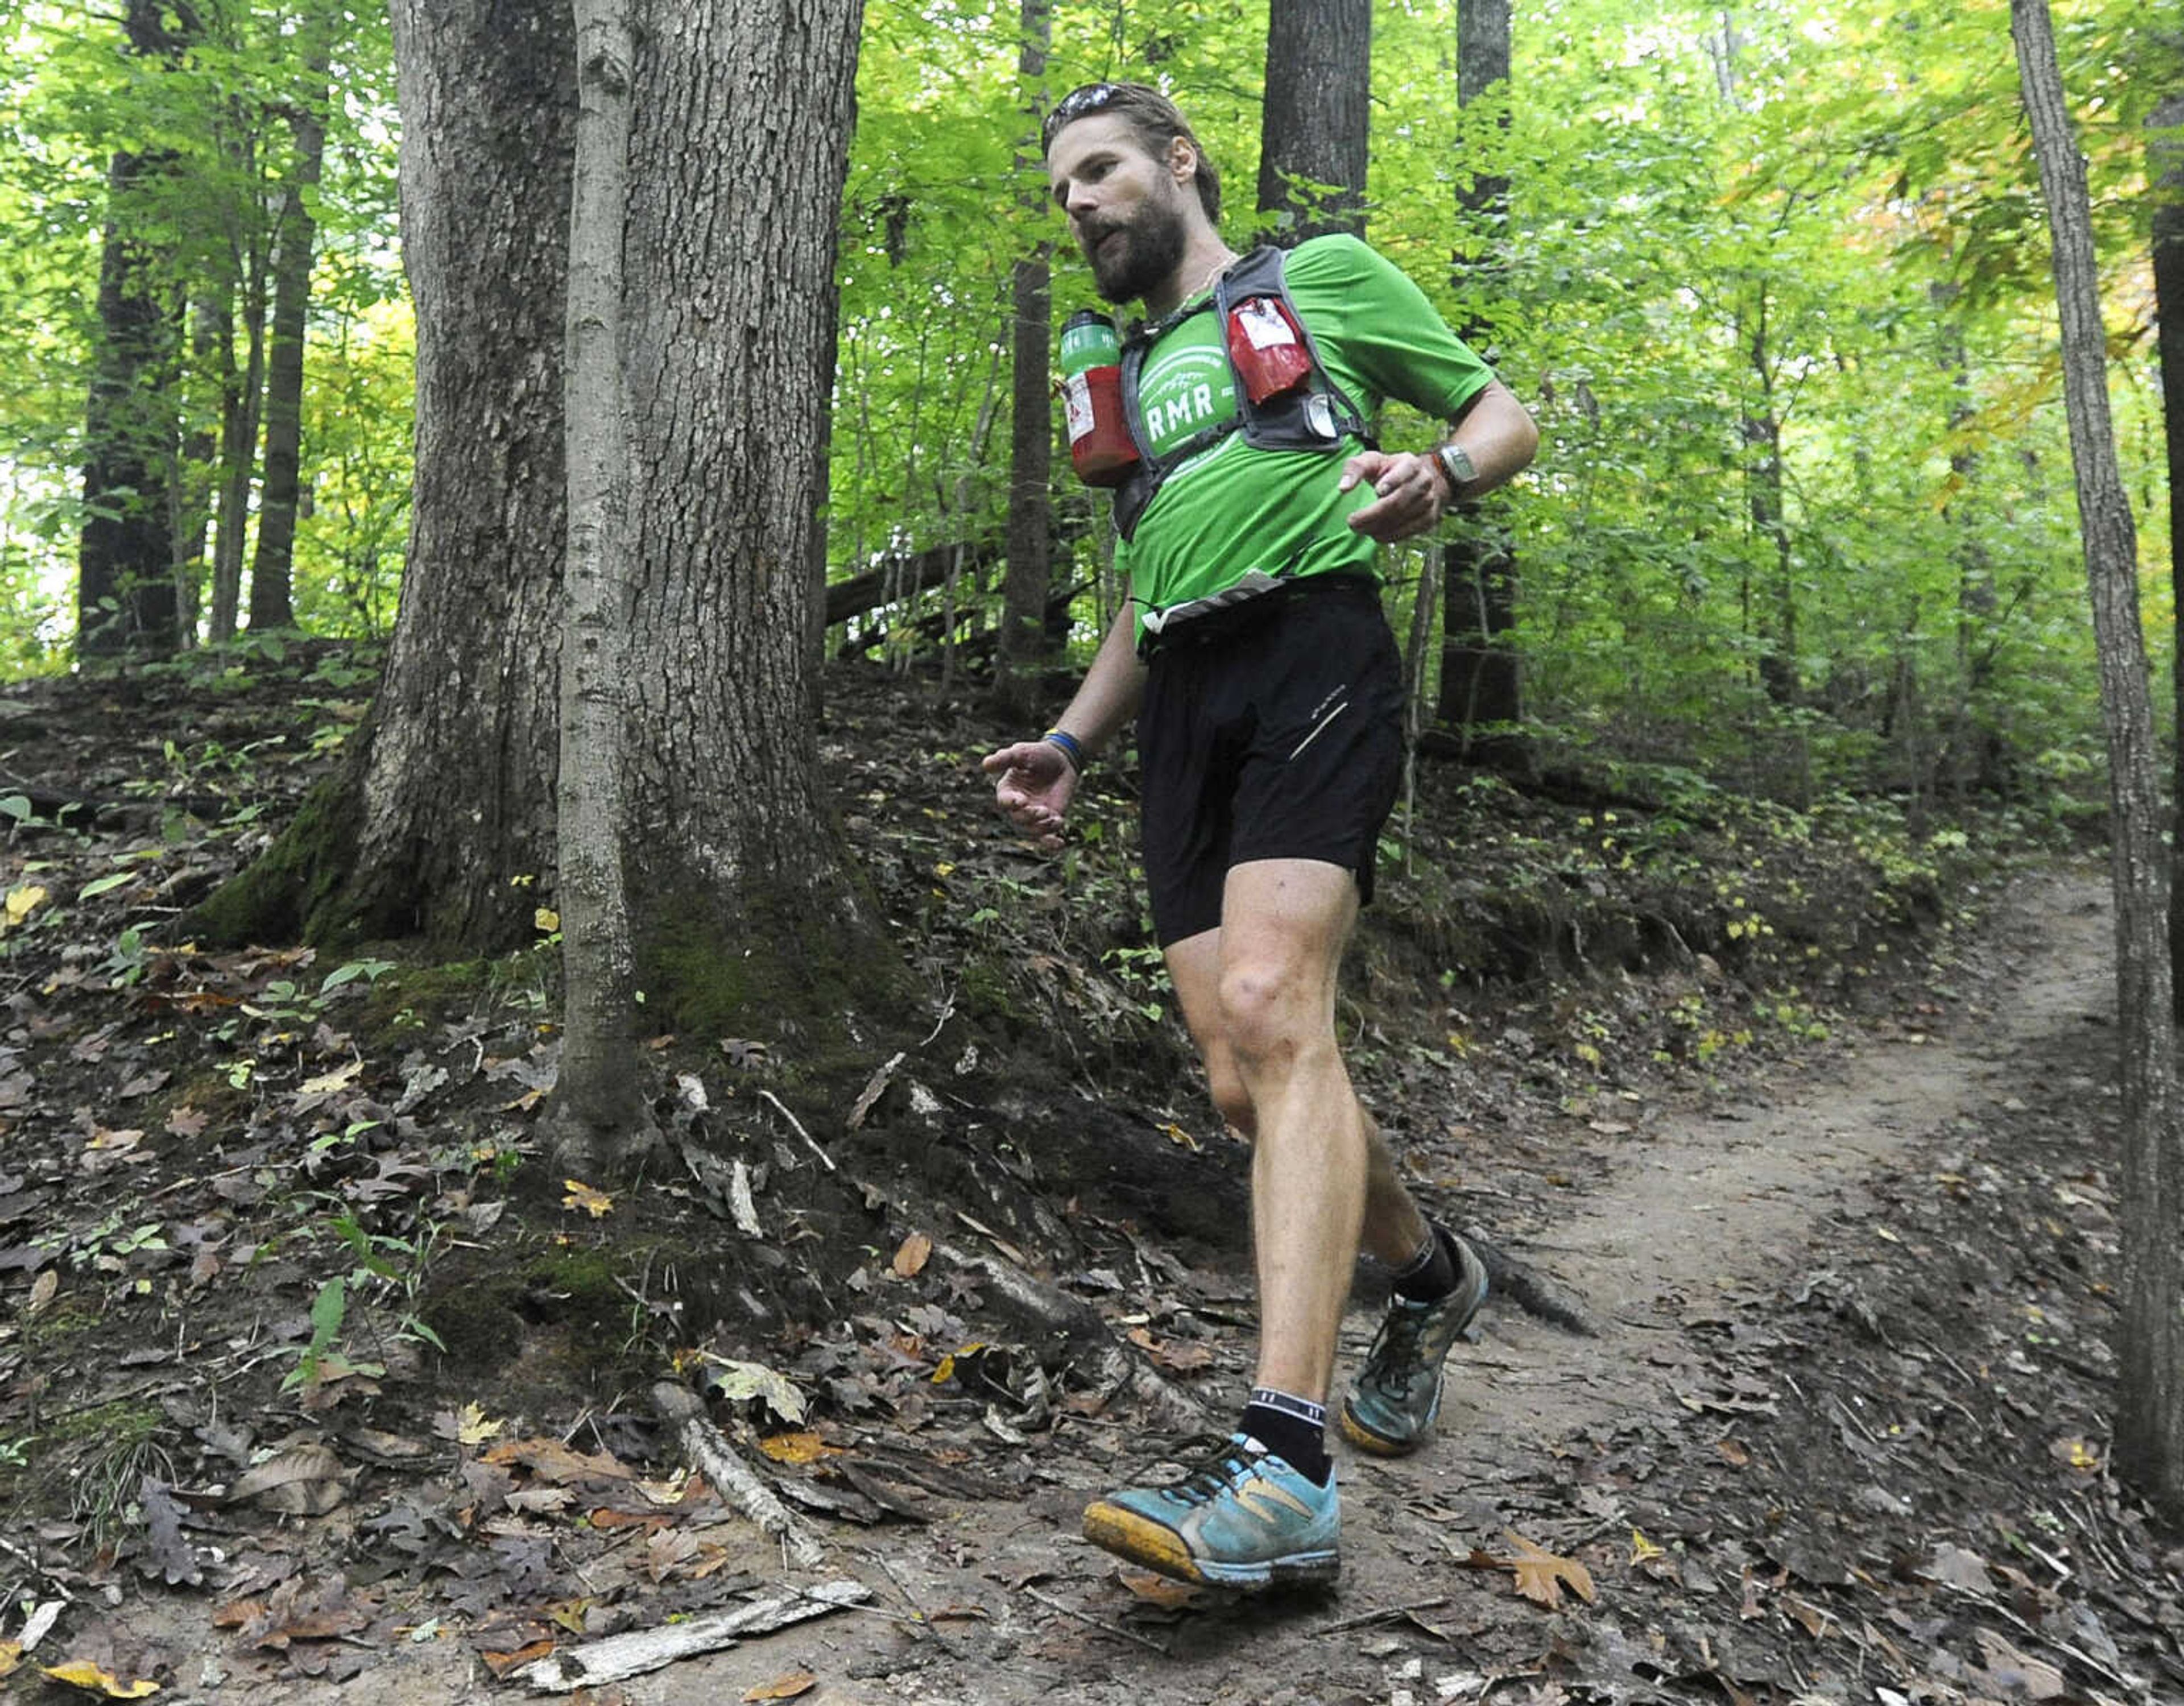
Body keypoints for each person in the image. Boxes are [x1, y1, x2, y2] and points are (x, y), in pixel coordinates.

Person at [982, 82, 1539, 1592]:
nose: (1080, 203)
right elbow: (1146, 593)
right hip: (1186, 703)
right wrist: (1068, 741)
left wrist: (1445, 473)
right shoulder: (1116, 369)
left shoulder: (1321, 284)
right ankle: (1431, 1274)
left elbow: (1506, 410)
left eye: (1099, 171)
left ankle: (1282, 1467)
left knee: (1273, 1006)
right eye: (1061, 192)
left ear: (1179, 163)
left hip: (1317, 653)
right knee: (1241, 1086)